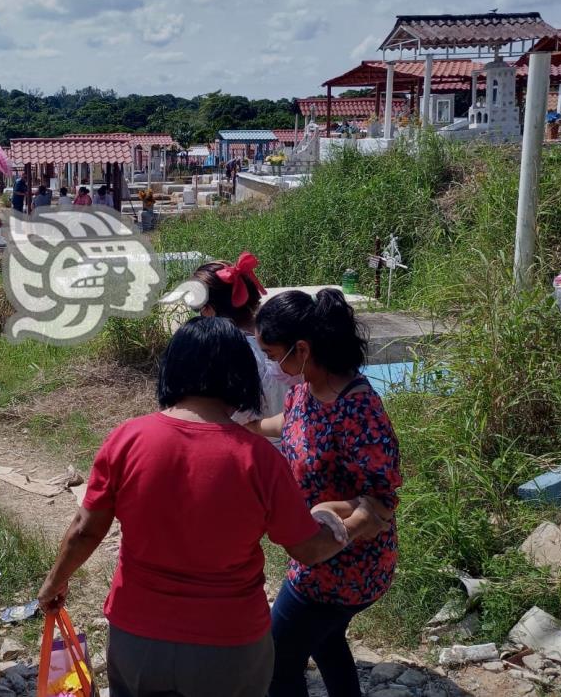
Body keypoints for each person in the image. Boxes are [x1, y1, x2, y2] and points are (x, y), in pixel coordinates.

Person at [38, 317, 387, 697]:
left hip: (138, 636)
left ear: (172, 368)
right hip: (229, 645)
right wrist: (357, 521)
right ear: (240, 376)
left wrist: (55, 582)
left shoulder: (127, 438)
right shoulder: (258, 460)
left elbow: (85, 529)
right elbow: (309, 548)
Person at [251, 290, 401, 697]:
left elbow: (380, 504)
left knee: (276, 660)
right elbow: (290, 421)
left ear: (301, 348)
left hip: (344, 568)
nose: (268, 363)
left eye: (271, 353)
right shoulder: (307, 386)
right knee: (325, 639)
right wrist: (243, 432)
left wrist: (331, 536)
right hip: (315, 557)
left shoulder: (359, 410)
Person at [192, 254, 289, 442]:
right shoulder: (281, 334)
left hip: (255, 450)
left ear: (209, 310)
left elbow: (227, 416)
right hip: (294, 442)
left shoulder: (225, 352)